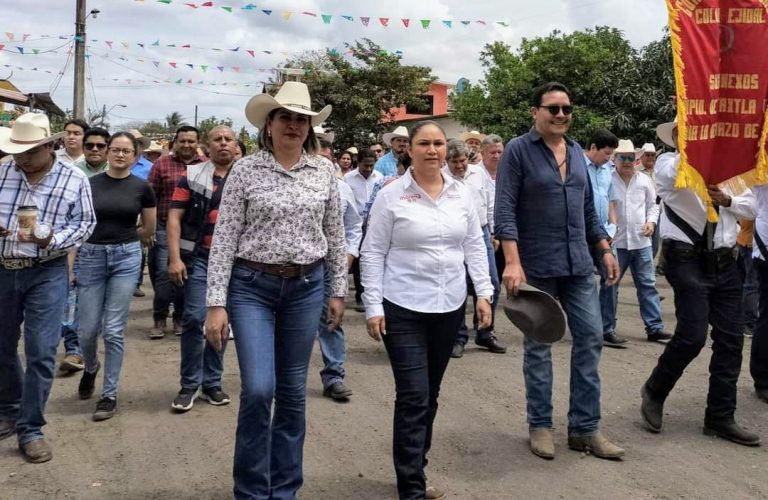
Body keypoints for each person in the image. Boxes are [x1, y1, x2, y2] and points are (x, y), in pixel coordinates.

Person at [204, 81, 346, 498]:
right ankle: (250, 490)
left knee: (292, 394)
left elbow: (334, 235)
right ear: (269, 124)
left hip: (306, 288)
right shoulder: (246, 170)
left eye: (301, 119)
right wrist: (216, 303)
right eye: (285, 117)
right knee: (258, 389)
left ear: (310, 128)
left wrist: (337, 290)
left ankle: (284, 490)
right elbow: (225, 238)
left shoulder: (324, 171)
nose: (294, 125)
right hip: (252, 289)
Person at [361, 121, 493, 500]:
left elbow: (473, 245)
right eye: (424, 143)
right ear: (410, 150)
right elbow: (372, 252)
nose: (432, 150)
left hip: (448, 307)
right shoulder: (391, 195)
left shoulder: (461, 194)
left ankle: (416, 467)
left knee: (430, 394)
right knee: (413, 395)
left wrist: (483, 294)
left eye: (438, 143)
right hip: (402, 307)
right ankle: (412, 489)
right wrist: (372, 305)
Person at [495, 82, 625, 460]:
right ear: (535, 112)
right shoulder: (518, 151)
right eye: (553, 109)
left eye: (567, 108)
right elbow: (505, 209)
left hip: (578, 265)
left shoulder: (576, 154)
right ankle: (540, 425)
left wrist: (604, 248)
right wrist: (513, 261)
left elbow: (588, 210)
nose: (561, 115)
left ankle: (585, 429)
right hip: (536, 266)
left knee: (591, 337)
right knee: (539, 346)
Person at [640, 119, 760, 446]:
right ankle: (655, 389)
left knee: (731, 340)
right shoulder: (669, 162)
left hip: (726, 259)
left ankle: (720, 416)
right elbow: (673, 177)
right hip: (686, 258)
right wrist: (696, 148)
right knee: (692, 336)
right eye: (689, 131)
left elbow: (753, 204)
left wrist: (729, 200)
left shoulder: (733, 171)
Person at [0, 113, 96, 463]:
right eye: (16, 151)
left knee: (41, 351)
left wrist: (52, 237)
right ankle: (9, 409)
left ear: (49, 145)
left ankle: (31, 428)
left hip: (47, 270)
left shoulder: (73, 178)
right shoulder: (2, 171)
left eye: (28, 151)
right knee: (2, 347)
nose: (21, 158)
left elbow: (86, 224)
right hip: (3, 268)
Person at [75, 132, 156, 421]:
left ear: (136, 156)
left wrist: (124, 240)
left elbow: (148, 228)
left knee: (112, 330)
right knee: (86, 330)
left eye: (127, 151)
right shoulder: (88, 184)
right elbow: (79, 223)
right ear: (108, 152)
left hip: (126, 257)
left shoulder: (142, 187)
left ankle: (109, 394)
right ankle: (91, 366)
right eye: (116, 150)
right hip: (91, 257)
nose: (120, 155)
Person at [167, 126, 236, 412]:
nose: (222, 144)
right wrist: (174, 258)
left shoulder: (247, 177)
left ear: (235, 145)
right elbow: (174, 218)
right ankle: (189, 384)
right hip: (199, 259)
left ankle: (212, 383)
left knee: (221, 323)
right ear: (206, 147)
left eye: (228, 139)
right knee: (195, 319)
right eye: (217, 139)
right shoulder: (192, 176)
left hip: (235, 262)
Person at [443, 140, 505, 358]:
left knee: (493, 285)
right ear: (447, 160)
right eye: (455, 162)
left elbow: (487, 202)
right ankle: (458, 337)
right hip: (456, 235)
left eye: (463, 161)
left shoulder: (478, 174)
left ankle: (485, 331)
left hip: (482, 232)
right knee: (459, 286)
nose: (461, 166)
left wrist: (493, 231)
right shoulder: (442, 178)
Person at [59, 127, 112, 374]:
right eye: (89, 145)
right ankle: (74, 351)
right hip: (79, 247)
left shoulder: (120, 173)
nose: (94, 150)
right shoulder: (71, 173)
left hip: (114, 248)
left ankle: (91, 352)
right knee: (75, 300)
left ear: (108, 149)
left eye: (100, 146)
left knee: (99, 309)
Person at [609, 139, 670, 342]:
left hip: (640, 240)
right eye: (623, 157)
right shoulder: (608, 180)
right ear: (615, 159)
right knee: (611, 286)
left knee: (648, 285)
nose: (627, 161)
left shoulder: (644, 180)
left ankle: (654, 328)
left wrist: (651, 223)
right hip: (617, 242)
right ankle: (606, 328)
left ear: (636, 160)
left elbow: (653, 205)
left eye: (630, 158)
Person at [147, 126, 205, 338]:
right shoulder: (162, 164)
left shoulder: (206, 166)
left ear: (198, 143)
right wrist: (149, 227)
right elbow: (150, 197)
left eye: (191, 141)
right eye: (183, 141)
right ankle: (159, 318)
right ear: (175, 142)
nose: (187, 145)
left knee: (185, 273)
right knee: (164, 273)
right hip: (164, 226)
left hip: (192, 232)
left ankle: (179, 317)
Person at [317, 172, 362, 400]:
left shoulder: (341, 188)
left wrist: (350, 254)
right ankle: (278, 379)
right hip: (292, 267)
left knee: (332, 319)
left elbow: (354, 225)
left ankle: (334, 377)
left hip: (331, 265)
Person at [583, 130, 623, 347]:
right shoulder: (576, 166)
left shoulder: (607, 171)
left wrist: (613, 226)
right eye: (606, 153)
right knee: (585, 281)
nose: (609, 158)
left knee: (611, 277)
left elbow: (610, 200)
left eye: (611, 154)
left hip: (605, 233)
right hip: (582, 233)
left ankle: (607, 327)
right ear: (593, 148)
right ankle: (587, 327)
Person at [344, 149, 382, 311]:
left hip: (375, 224)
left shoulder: (379, 178)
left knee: (373, 258)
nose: (368, 169)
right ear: (357, 162)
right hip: (356, 225)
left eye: (371, 165)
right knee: (358, 260)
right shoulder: (348, 179)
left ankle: (375, 295)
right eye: (365, 165)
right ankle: (360, 295)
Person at [636, 143, 662, 258]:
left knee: (655, 243)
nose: (651, 157)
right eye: (648, 155)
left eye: (653, 155)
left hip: (658, 212)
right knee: (642, 241)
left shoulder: (659, 171)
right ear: (641, 157)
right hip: (641, 211)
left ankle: (649, 264)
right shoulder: (635, 172)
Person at [736, 219, 758, 337]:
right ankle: (748, 323)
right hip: (751, 243)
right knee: (752, 285)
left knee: (749, 283)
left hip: (748, 240)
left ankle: (747, 321)